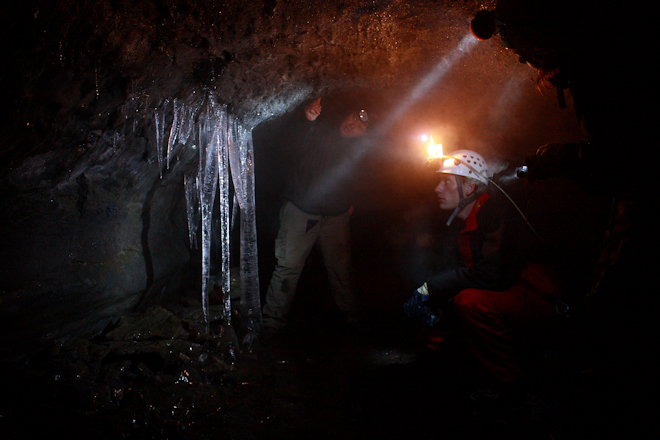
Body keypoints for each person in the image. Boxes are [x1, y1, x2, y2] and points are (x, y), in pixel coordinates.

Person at [404, 150, 563, 386]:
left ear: (469, 188)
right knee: (435, 333)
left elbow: (491, 276)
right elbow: (453, 271)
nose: (437, 188)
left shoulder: (497, 212)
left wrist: (430, 288)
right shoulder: (462, 222)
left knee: (470, 302)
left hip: (536, 297)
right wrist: (432, 302)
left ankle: (510, 381)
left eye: (446, 182)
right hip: (508, 296)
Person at [261, 96, 371, 342]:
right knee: (288, 267)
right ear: (348, 113)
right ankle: (271, 325)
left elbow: (366, 180)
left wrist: (354, 203)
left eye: (362, 126)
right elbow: (290, 146)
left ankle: (354, 321)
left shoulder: (363, 150)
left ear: (365, 133)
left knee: (341, 268)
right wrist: (306, 121)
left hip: (336, 215)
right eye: (355, 117)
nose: (354, 125)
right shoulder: (320, 129)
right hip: (302, 209)